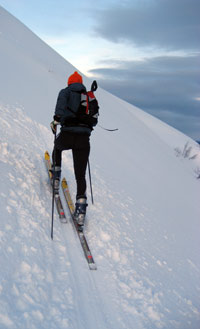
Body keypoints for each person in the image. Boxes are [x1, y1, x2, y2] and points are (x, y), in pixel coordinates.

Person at [50, 71, 97, 227]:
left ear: (70, 82)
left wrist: (56, 121)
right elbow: (94, 121)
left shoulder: (66, 91)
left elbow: (60, 109)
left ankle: (56, 177)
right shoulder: (88, 96)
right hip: (84, 139)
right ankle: (81, 209)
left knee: (57, 148)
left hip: (68, 134)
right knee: (80, 174)